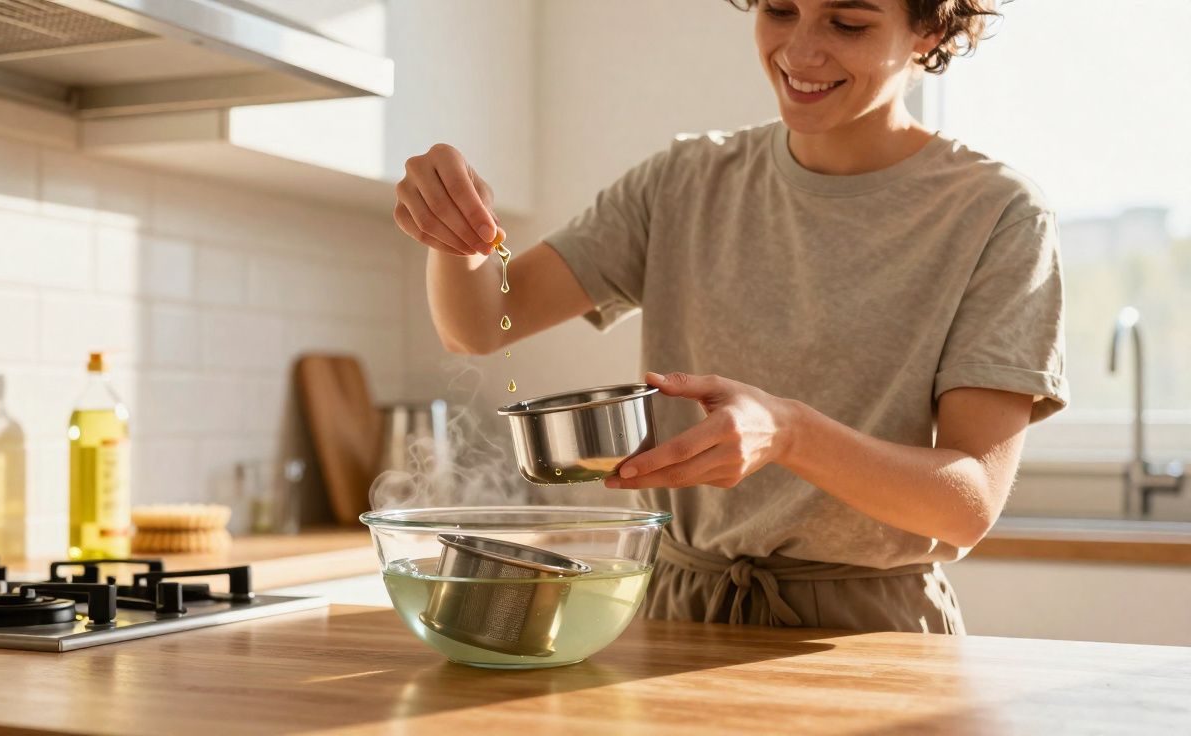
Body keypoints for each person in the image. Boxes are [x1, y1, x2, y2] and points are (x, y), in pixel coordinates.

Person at [391, 0, 1067, 633]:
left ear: (930, 31)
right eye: (779, 9)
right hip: (678, 614)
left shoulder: (997, 214)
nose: (800, 50)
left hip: (868, 634)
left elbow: (965, 508)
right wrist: (453, 225)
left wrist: (790, 434)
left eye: (848, 23)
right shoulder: (684, 181)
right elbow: (480, 323)